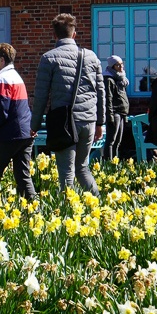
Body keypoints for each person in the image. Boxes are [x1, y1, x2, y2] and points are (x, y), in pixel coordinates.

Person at [30, 12, 104, 195]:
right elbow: (101, 93)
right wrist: (100, 123)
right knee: (82, 168)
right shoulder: (92, 57)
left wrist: (34, 125)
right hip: (88, 120)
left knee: (66, 173)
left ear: (54, 35)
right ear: (74, 34)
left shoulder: (49, 58)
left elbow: (40, 96)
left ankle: (68, 209)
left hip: (63, 122)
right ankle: (99, 203)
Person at [0, 41, 36, 201]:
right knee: (23, 175)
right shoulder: (16, 76)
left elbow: (2, 110)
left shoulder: (2, 78)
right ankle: (34, 208)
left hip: (10, 134)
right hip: (25, 132)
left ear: (2, 60)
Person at [102, 55, 129, 162]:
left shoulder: (121, 79)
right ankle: (108, 163)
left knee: (118, 141)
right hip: (114, 112)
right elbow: (108, 98)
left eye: (122, 64)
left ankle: (115, 163)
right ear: (112, 66)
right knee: (111, 140)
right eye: (118, 65)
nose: (121, 67)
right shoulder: (109, 79)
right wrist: (110, 116)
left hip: (122, 112)